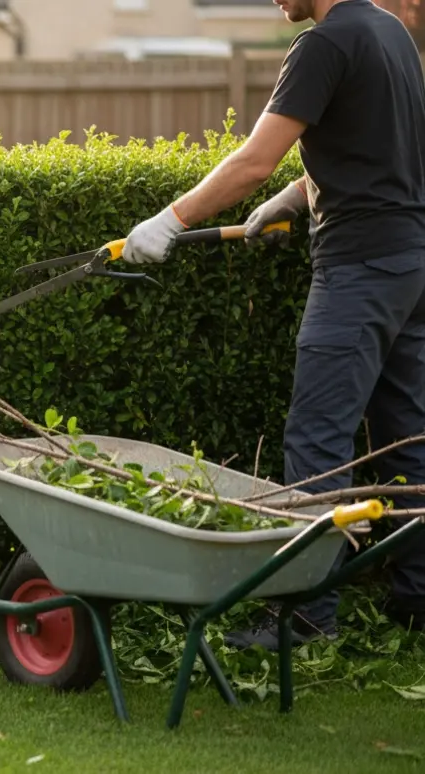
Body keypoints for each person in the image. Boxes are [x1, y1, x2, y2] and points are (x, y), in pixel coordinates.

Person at [122, 0, 425, 649]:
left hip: (360, 268)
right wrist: (292, 198)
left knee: (317, 441)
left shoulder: (324, 45)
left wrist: (169, 221)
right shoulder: (389, 33)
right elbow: (373, 149)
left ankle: (307, 618)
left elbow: (255, 158)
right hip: (411, 263)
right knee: (407, 437)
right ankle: (418, 599)